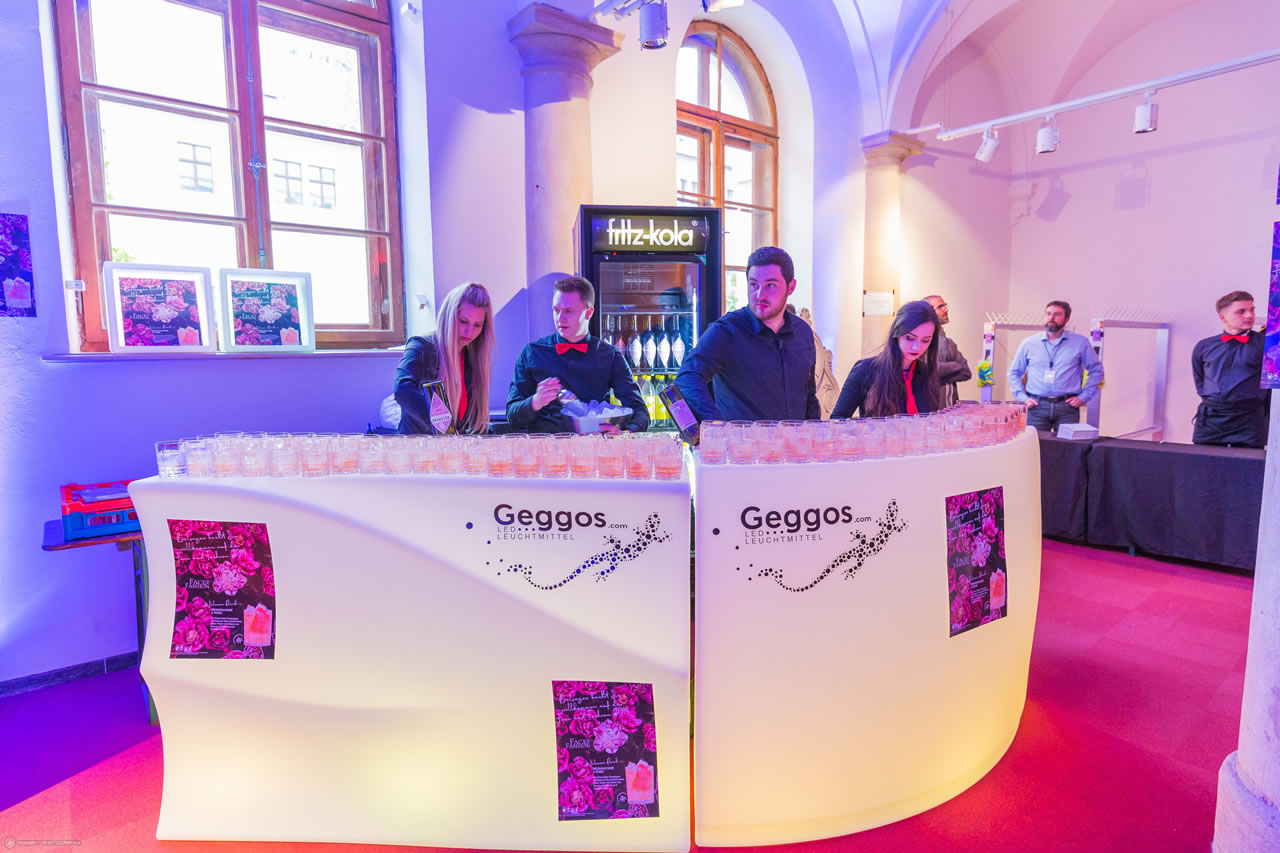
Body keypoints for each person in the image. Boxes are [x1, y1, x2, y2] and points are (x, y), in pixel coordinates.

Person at [674, 246, 820, 422]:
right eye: (754, 285)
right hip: (741, 440)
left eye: (770, 285)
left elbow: (809, 397)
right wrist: (715, 425)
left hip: (796, 439)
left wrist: (816, 433)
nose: (760, 295)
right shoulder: (726, 331)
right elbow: (687, 378)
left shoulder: (803, 332)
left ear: (790, 287)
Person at [506, 276, 648, 433]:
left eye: (568, 311)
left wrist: (625, 434)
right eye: (556, 310)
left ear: (589, 312)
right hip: (545, 446)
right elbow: (512, 417)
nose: (560, 318)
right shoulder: (532, 353)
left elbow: (640, 411)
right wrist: (535, 401)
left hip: (594, 445)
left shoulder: (610, 356)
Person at [394, 281, 494, 434]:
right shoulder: (420, 345)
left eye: (477, 325)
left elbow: (466, 422)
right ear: (449, 316)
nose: (469, 332)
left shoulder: (471, 359)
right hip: (416, 445)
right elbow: (402, 389)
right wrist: (443, 426)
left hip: (451, 446)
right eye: (463, 321)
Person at [830, 300, 942, 418]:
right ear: (897, 333)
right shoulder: (866, 370)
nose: (917, 347)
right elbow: (837, 419)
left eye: (925, 340)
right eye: (910, 338)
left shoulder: (925, 373)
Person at [1007, 300, 1103, 432]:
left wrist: (1084, 397)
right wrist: (1022, 398)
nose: (1051, 317)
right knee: (1035, 444)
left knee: (1066, 444)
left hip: (1067, 408)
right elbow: (1014, 372)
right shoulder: (1028, 343)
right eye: (1048, 314)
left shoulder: (1080, 343)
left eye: (1057, 314)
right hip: (1035, 407)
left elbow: (1097, 371)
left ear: (1067, 319)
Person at [1191, 290, 1269, 448]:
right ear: (1222, 317)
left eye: (1252, 310)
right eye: (1241, 311)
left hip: (1249, 420)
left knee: (1249, 463)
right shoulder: (1204, 346)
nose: (1249, 315)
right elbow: (1200, 380)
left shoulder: (1266, 345)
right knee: (1203, 461)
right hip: (1211, 420)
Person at [923, 294, 972, 406]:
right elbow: (927, 370)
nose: (946, 310)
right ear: (928, 311)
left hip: (951, 410)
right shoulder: (921, 343)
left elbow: (966, 372)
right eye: (940, 307)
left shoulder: (949, 343)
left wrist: (939, 374)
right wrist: (955, 366)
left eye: (945, 306)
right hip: (929, 411)